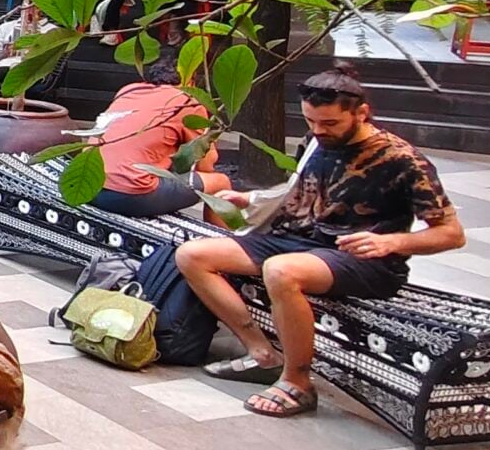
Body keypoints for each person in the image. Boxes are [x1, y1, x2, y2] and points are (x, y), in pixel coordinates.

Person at [168, 64, 466, 419]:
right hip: (302, 241)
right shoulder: (317, 142)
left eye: (330, 123)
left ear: (361, 113)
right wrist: (249, 199)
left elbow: (451, 233)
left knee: (280, 272)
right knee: (193, 255)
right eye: (311, 121)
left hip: (364, 260)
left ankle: (297, 382)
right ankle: (262, 353)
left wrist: (391, 244)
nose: (318, 130)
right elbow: (300, 192)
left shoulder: (402, 160)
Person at [83, 58, 233, 218]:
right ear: (190, 80)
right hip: (128, 194)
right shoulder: (187, 102)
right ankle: (223, 234)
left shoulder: (128, 91)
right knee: (220, 182)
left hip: (87, 184)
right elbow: (205, 165)